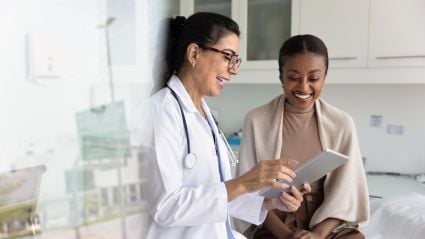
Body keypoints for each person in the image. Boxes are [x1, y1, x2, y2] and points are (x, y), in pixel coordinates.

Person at [132, 13, 311, 239]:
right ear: (194, 53)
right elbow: (166, 206)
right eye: (228, 57)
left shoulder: (204, 114)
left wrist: (269, 202)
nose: (233, 69)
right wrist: (244, 183)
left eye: (235, 60)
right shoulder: (160, 112)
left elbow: (214, 196)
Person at [236, 34, 369, 239]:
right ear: (281, 76)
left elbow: (347, 196)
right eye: (293, 77)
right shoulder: (256, 120)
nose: (304, 87)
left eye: (313, 78)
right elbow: (247, 194)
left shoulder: (342, 124)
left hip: (327, 222)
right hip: (274, 222)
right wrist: (288, 236)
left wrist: (317, 234)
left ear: (324, 77)